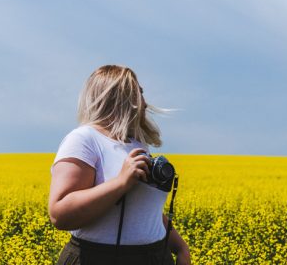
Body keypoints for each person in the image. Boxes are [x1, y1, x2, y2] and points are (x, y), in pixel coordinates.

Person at [48, 65, 191, 265]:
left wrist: (181, 248)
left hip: (155, 256)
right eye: (139, 93)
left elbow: (146, 212)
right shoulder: (84, 139)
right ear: (120, 95)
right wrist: (121, 183)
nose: (146, 103)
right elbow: (59, 214)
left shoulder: (136, 144)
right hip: (99, 257)